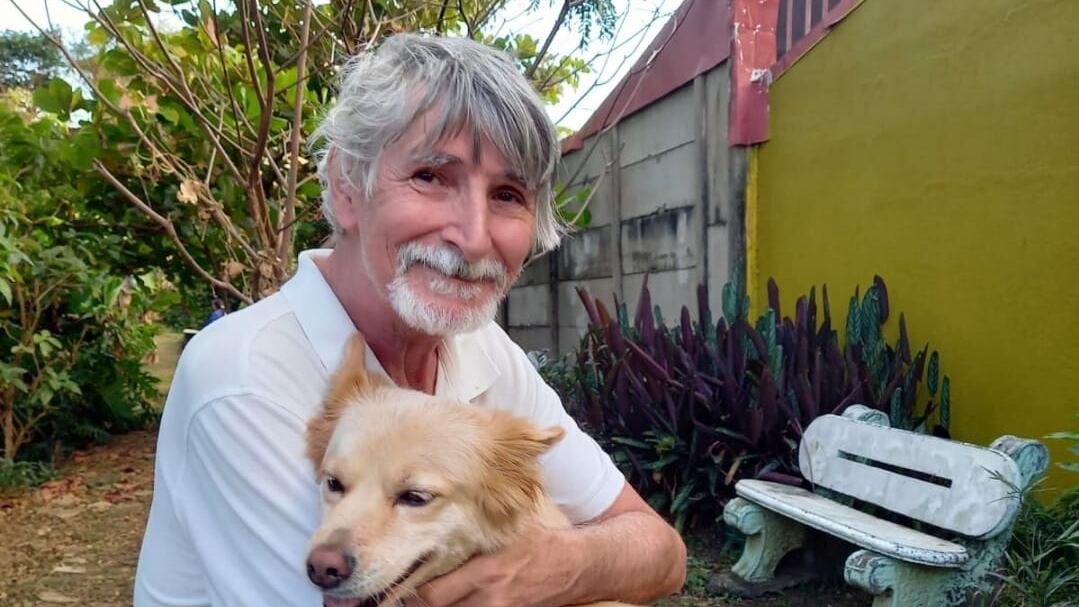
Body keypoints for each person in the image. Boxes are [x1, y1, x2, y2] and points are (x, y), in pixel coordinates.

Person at [134, 33, 686, 607]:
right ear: (347, 187)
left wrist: (558, 566)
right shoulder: (242, 377)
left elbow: (662, 553)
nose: (474, 238)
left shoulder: (480, 348)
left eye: (507, 194)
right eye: (430, 176)